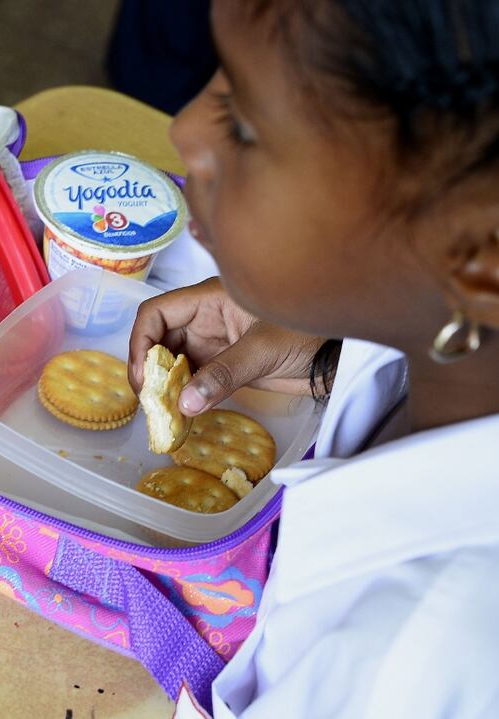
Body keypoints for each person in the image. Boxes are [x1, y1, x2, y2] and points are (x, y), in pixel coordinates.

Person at [127, 1, 499, 717]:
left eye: (243, 123)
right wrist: (336, 350)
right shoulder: (444, 345)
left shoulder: (412, 665)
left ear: (479, 259)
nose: (183, 131)